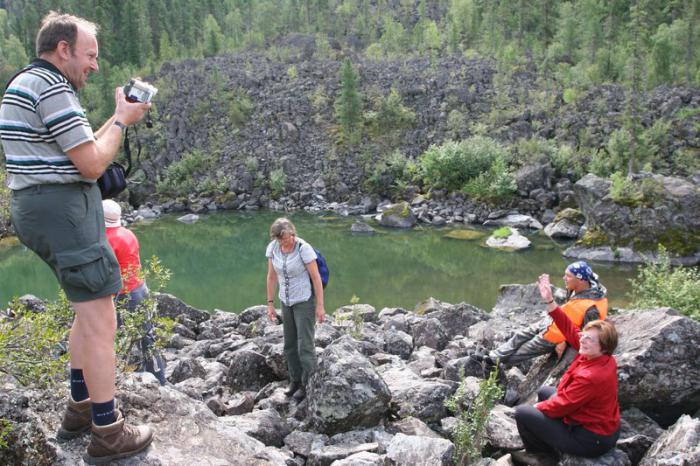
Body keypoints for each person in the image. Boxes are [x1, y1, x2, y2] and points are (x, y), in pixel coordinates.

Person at [0, 11, 153, 464]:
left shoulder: (29, 83)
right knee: (103, 318)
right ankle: (108, 431)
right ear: (62, 49)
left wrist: (116, 115)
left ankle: (79, 408)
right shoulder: (51, 86)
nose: (94, 65)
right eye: (89, 55)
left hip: (40, 209)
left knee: (86, 313)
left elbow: (81, 149)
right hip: (63, 212)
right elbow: (91, 166)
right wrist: (123, 123)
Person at [512, 273, 620, 464]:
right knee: (546, 391)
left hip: (591, 440)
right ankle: (549, 441)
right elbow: (569, 327)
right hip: (600, 425)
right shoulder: (600, 355)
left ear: (603, 346)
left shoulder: (592, 376)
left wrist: (536, 409)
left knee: (522, 413)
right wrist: (550, 301)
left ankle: (544, 457)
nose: (582, 340)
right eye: (584, 335)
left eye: (589, 339)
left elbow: (562, 405)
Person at [486, 261, 608, 367]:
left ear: (581, 280)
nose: (564, 278)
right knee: (520, 335)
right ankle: (494, 356)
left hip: (554, 337)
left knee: (523, 351)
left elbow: (586, 334)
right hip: (551, 322)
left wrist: (565, 341)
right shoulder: (580, 289)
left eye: (568, 276)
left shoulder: (592, 308)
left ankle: (492, 363)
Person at [103, 200, 166, 385]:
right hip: (140, 287)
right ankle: (160, 378)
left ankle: (110, 380)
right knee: (147, 335)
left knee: (110, 337)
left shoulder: (105, 240)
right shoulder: (127, 233)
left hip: (123, 294)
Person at [265, 218, 325, 402]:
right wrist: (270, 303)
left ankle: (310, 384)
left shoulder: (303, 249)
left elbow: (316, 279)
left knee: (305, 345)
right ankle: (295, 381)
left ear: (292, 233)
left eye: (284, 238)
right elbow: (271, 277)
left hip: (304, 300)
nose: (282, 242)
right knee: (289, 345)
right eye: (279, 239)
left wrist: (320, 306)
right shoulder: (273, 248)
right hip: (286, 300)